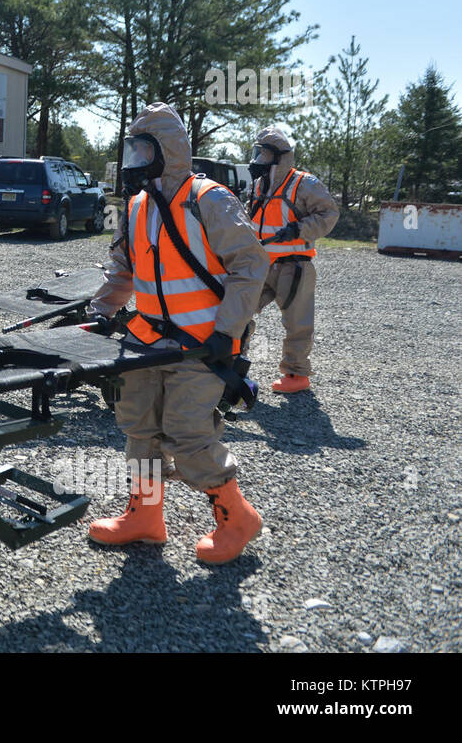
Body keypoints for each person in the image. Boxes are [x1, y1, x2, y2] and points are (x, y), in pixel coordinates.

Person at [85, 103, 270, 564]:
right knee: (139, 427)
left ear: (167, 151)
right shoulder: (136, 206)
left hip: (202, 345)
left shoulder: (210, 200)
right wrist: (97, 314)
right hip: (146, 342)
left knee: (187, 433)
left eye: (142, 149)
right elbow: (122, 270)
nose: (134, 161)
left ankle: (237, 518)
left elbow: (251, 266)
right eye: (131, 150)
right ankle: (145, 518)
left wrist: (227, 334)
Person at [245, 128, 340, 393]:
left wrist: (298, 229)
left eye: (261, 154)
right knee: (239, 310)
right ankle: (232, 362)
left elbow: (329, 215)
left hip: (295, 265)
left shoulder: (305, 184)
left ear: (278, 157)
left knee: (298, 322)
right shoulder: (258, 185)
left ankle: (296, 374)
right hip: (261, 264)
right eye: (256, 153)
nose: (256, 160)